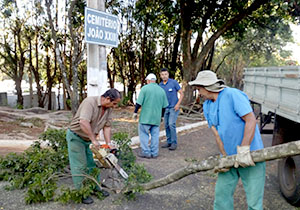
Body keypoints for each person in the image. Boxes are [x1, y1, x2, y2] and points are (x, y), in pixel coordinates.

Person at [189, 70, 265, 210]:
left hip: (251, 154)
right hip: (230, 157)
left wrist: (244, 149)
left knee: (254, 201)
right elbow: (216, 134)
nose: (198, 92)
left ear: (207, 86)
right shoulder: (207, 106)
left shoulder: (232, 95)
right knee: (221, 197)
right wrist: (224, 157)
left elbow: (250, 120)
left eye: (199, 88)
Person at [66, 88, 121, 204]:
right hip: (76, 137)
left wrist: (108, 144)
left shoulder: (108, 108)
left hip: (88, 139)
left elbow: (107, 126)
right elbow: (83, 122)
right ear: (107, 99)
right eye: (114, 103)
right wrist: (93, 139)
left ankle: (95, 187)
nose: (115, 106)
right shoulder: (90, 102)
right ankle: (81, 193)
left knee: (91, 164)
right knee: (79, 165)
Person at [132, 73, 168, 158]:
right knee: (155, 136)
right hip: (156, 118)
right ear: (155, 81)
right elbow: (164, 106)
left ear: (148, 81)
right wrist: (162, 116)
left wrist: (135, 112)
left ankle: (146, 152)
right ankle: (154, 152)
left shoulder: (145, 89)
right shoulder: (161, 90)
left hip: (145, 117)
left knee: (144, 134)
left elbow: (139, 103)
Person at [159, 68, 184, 150]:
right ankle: (169, 141)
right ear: (160, 75)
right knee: (166, 125)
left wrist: (178, 104)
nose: (164, 76)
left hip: (174, 108)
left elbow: (181, 93)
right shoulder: (160, 85)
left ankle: (174, 143)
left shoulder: (173, 82)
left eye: (165, 74)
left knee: (171, 124)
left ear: (168, 74)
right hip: (166, 108)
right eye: (162, 74)